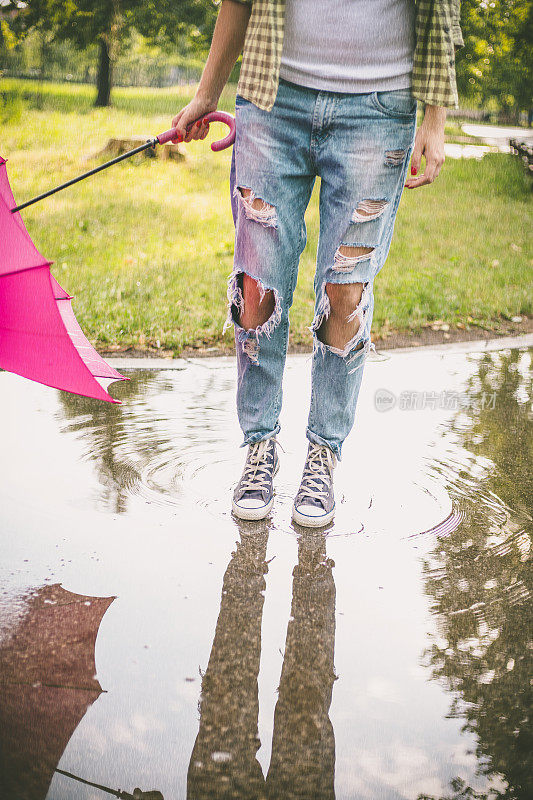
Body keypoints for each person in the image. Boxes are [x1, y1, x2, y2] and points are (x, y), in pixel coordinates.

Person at [171, 0, 464, 527]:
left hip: (378, 112)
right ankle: (259, 448)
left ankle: (321, 457)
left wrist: (436, 116)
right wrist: (205, 93)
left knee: (344, 295)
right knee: (256, 287)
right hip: (272, 102)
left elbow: (441, 11)